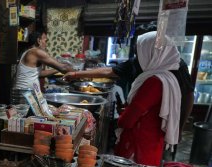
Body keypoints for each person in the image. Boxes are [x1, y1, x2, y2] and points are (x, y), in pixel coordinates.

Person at [63, 28, 194, 148]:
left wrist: (179, 128)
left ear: (153, 50)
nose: (138, 54)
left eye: (141, 50)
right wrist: (76, 74)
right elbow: (110, 71)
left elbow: (127, 121)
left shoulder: (159, 79)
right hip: (154, 137)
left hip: (141, 139)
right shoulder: (148, 62)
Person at [114, 31, 182, 166]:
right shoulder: (168, 77)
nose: (138, 57)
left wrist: (122, 115)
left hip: (138, 149)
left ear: (153, 53)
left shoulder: (154, 82)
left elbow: (127, 121)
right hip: (151, 144)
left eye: (140, 52)